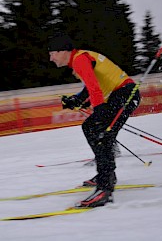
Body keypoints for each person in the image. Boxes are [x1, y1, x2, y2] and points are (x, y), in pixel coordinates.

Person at [48, 34, 140, 208]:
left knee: (97, 131)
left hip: (124, 94)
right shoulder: (81, 58)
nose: (51, 58)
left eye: (52, 53)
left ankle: (105, 187)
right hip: (122, 94)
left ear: (63, 51)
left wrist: (98, 109)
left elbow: (93, 86)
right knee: (96, 130)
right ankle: (106, 178)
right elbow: (91, 86)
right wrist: (76, 100)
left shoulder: (79, 59)